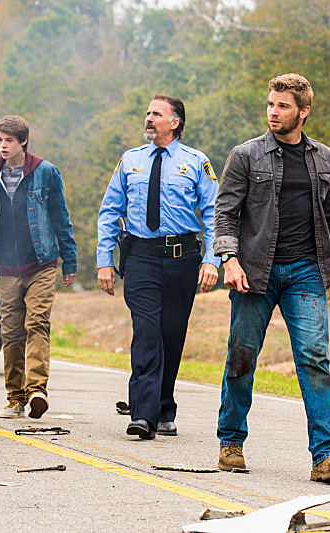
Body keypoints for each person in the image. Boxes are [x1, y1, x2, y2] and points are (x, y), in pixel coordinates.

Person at [214, 73, 330, 482]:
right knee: (242, 356)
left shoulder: (325, 158)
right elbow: (225, 211)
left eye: (283, 106)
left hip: (307, 271)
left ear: (303, 111)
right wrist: (229, 258)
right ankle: (231, 442)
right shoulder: (245, 155)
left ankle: (326, 456)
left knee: (314, 359)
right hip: (253, 271)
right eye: (271, 104)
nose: (274, 112)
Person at [97, 93, 219, 439]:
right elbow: (109, 213)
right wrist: (105, 261)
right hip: (141, 258)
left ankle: (164, 406)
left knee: (171, 333)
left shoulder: (196, 162)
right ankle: (143, 415)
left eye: (157, 114)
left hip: (182, 258)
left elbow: (213, 214)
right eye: (148, 113)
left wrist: (212, 259)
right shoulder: (130, 160)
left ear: (175, 122)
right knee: (147, 332)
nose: (149, 119)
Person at [0, 115, 77, 419]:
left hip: (40, 263)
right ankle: (15, 396)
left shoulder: (46, 172)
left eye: (9, 140)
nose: (3, 145)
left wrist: (70, 260)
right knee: (11, 333)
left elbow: (60, 218)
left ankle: (37, 389)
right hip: (4, 266)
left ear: (23, 141)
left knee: (37, 322)